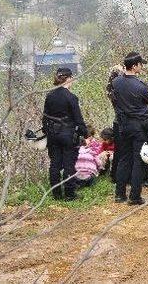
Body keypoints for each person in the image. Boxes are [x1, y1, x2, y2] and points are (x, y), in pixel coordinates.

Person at [111, 51, 148, 205]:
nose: (141, 67)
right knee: (138, 160)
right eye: (140, 64)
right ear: (135, 66)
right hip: (138, 126)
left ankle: (119, 194)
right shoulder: (140, 86)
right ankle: (135, 196)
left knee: (124, 159)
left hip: (123, 125)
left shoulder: (116, 82)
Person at [42, 67, 88, 201]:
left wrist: (47, 131)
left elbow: (45, 116)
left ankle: (56, 193)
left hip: (53, 134)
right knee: (69, 164)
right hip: (67, 135)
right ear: (69, 78)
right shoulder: (71, 97)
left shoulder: (49, 95)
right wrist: (84, 134)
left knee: (55, 164)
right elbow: (78, 119)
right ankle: (69, 194)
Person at [106, 65, 124, 183]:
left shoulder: (110, 90)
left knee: (118, 149)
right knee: (123, 150)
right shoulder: (118, 91)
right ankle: (119, 175)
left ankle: (115, 174)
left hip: (117, 121)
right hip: (122, 122)